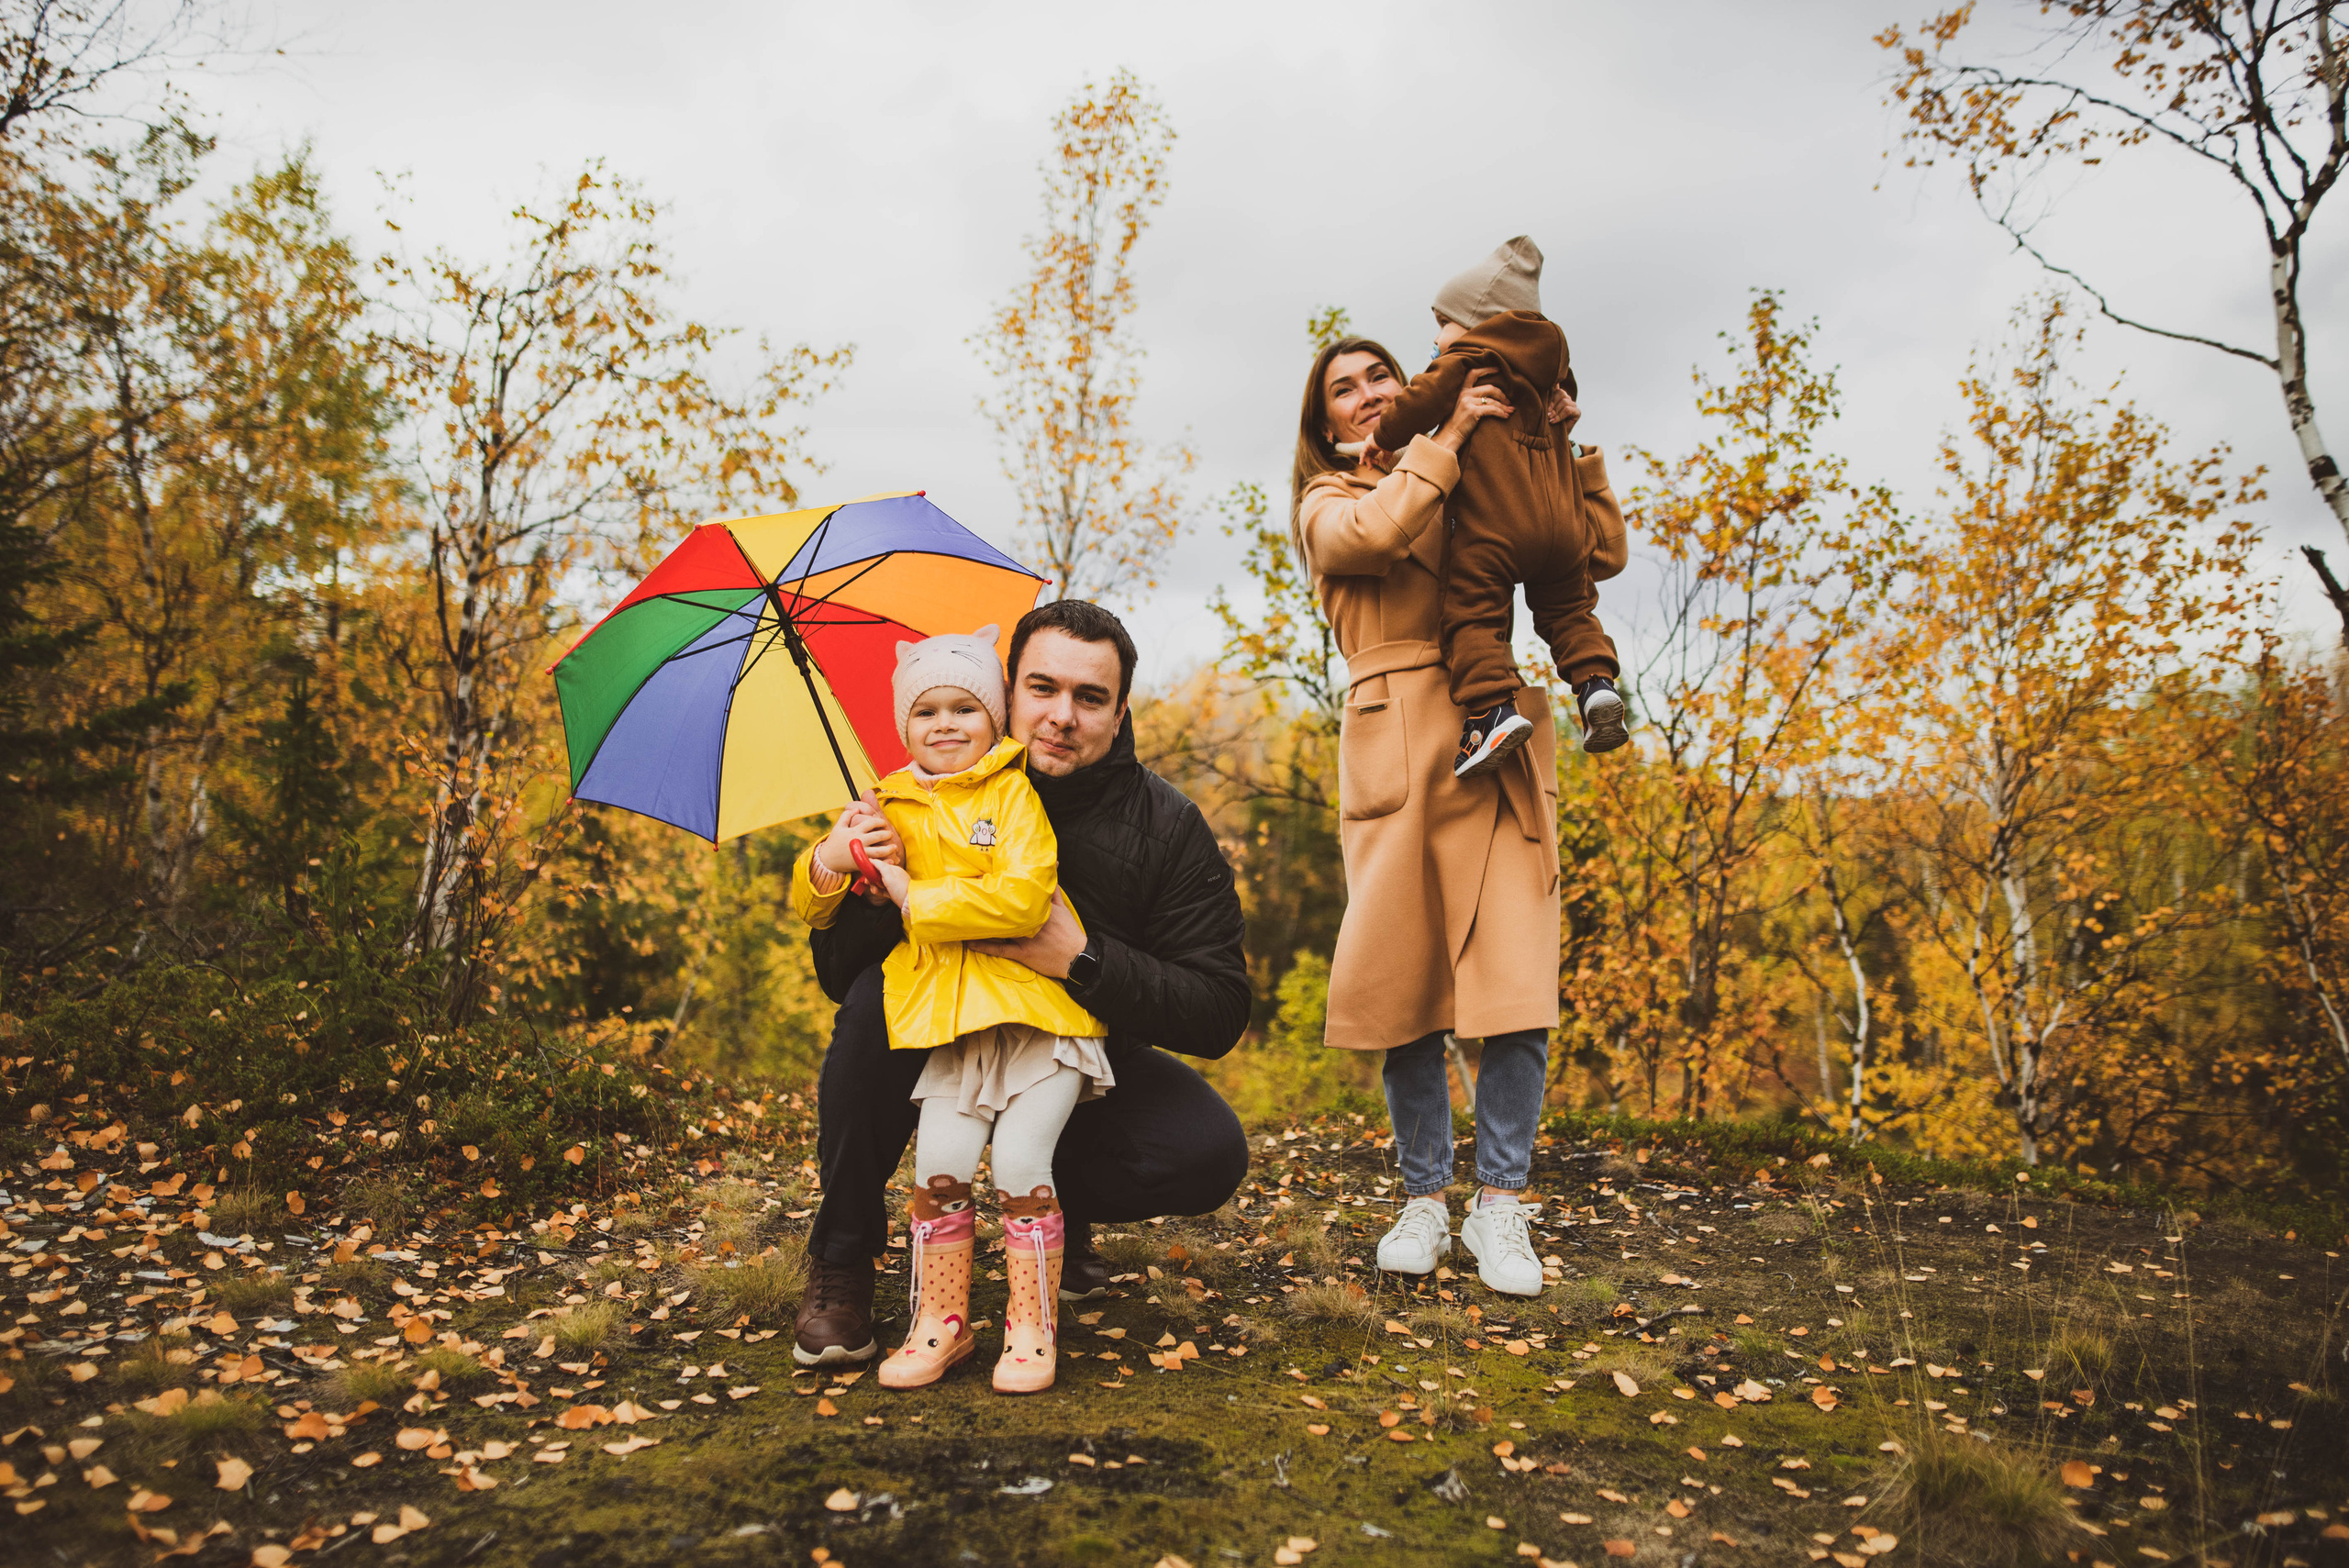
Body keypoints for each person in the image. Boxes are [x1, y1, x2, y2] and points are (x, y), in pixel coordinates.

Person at [792, 599, 1252, 1368]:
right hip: (944, 1031)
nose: (1062, 715)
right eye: (1043, 689)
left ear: (1120, 708)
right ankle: (841, 1257)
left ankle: (1050, 1213)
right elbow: (837, 975)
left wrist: (1084, 958)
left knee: (1206, 1151)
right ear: (1009, 693)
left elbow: (1218, 1008)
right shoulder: (921, 798)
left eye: (1090, 697)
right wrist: (870, 888)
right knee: (873, 1008)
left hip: (1077, 1047)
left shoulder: (1166, 826)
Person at [1294, 331, 1626, 1296]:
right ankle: (1423, 1200)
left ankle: (1502, 1208)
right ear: (1321, 423)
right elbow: (1377, 536)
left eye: (1378, 380)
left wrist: (1556, 443)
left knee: (1514, 981)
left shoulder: (1470, 471)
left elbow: (1590, 551)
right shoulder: (1331, 499)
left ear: (1411, 386)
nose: (1363, 396)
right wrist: (1443, 442)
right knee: (1408, 989)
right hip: (1395, 744)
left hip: (1498, 738)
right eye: (1342, 390)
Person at [790, 628, 1109, 1393]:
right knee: (937, 1169)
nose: (944, 724)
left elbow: (1023, 896)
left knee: (1024, 1163)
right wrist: (839, 857)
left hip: (1033, 1020)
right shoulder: (885, 803)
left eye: (964, 707)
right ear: (904, 726)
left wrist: (913, 894)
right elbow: (812, 907)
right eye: (925, 710)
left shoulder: (1013, 792)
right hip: (952, 1025)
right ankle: (941, 1324)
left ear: (995, 720)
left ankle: (1031, 1330)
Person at [1364, 236, 1628, 777]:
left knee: (1472, 614)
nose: (1436, 337)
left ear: (1479, 319)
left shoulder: (1470, 359)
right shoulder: (1554, 374)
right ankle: (1595, 686)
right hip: (1563, 525)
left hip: (1497, 527)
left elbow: (1416, 402)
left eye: (1442, 322)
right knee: (1570, 611)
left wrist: (1385, 437)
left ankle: (1491, 712)